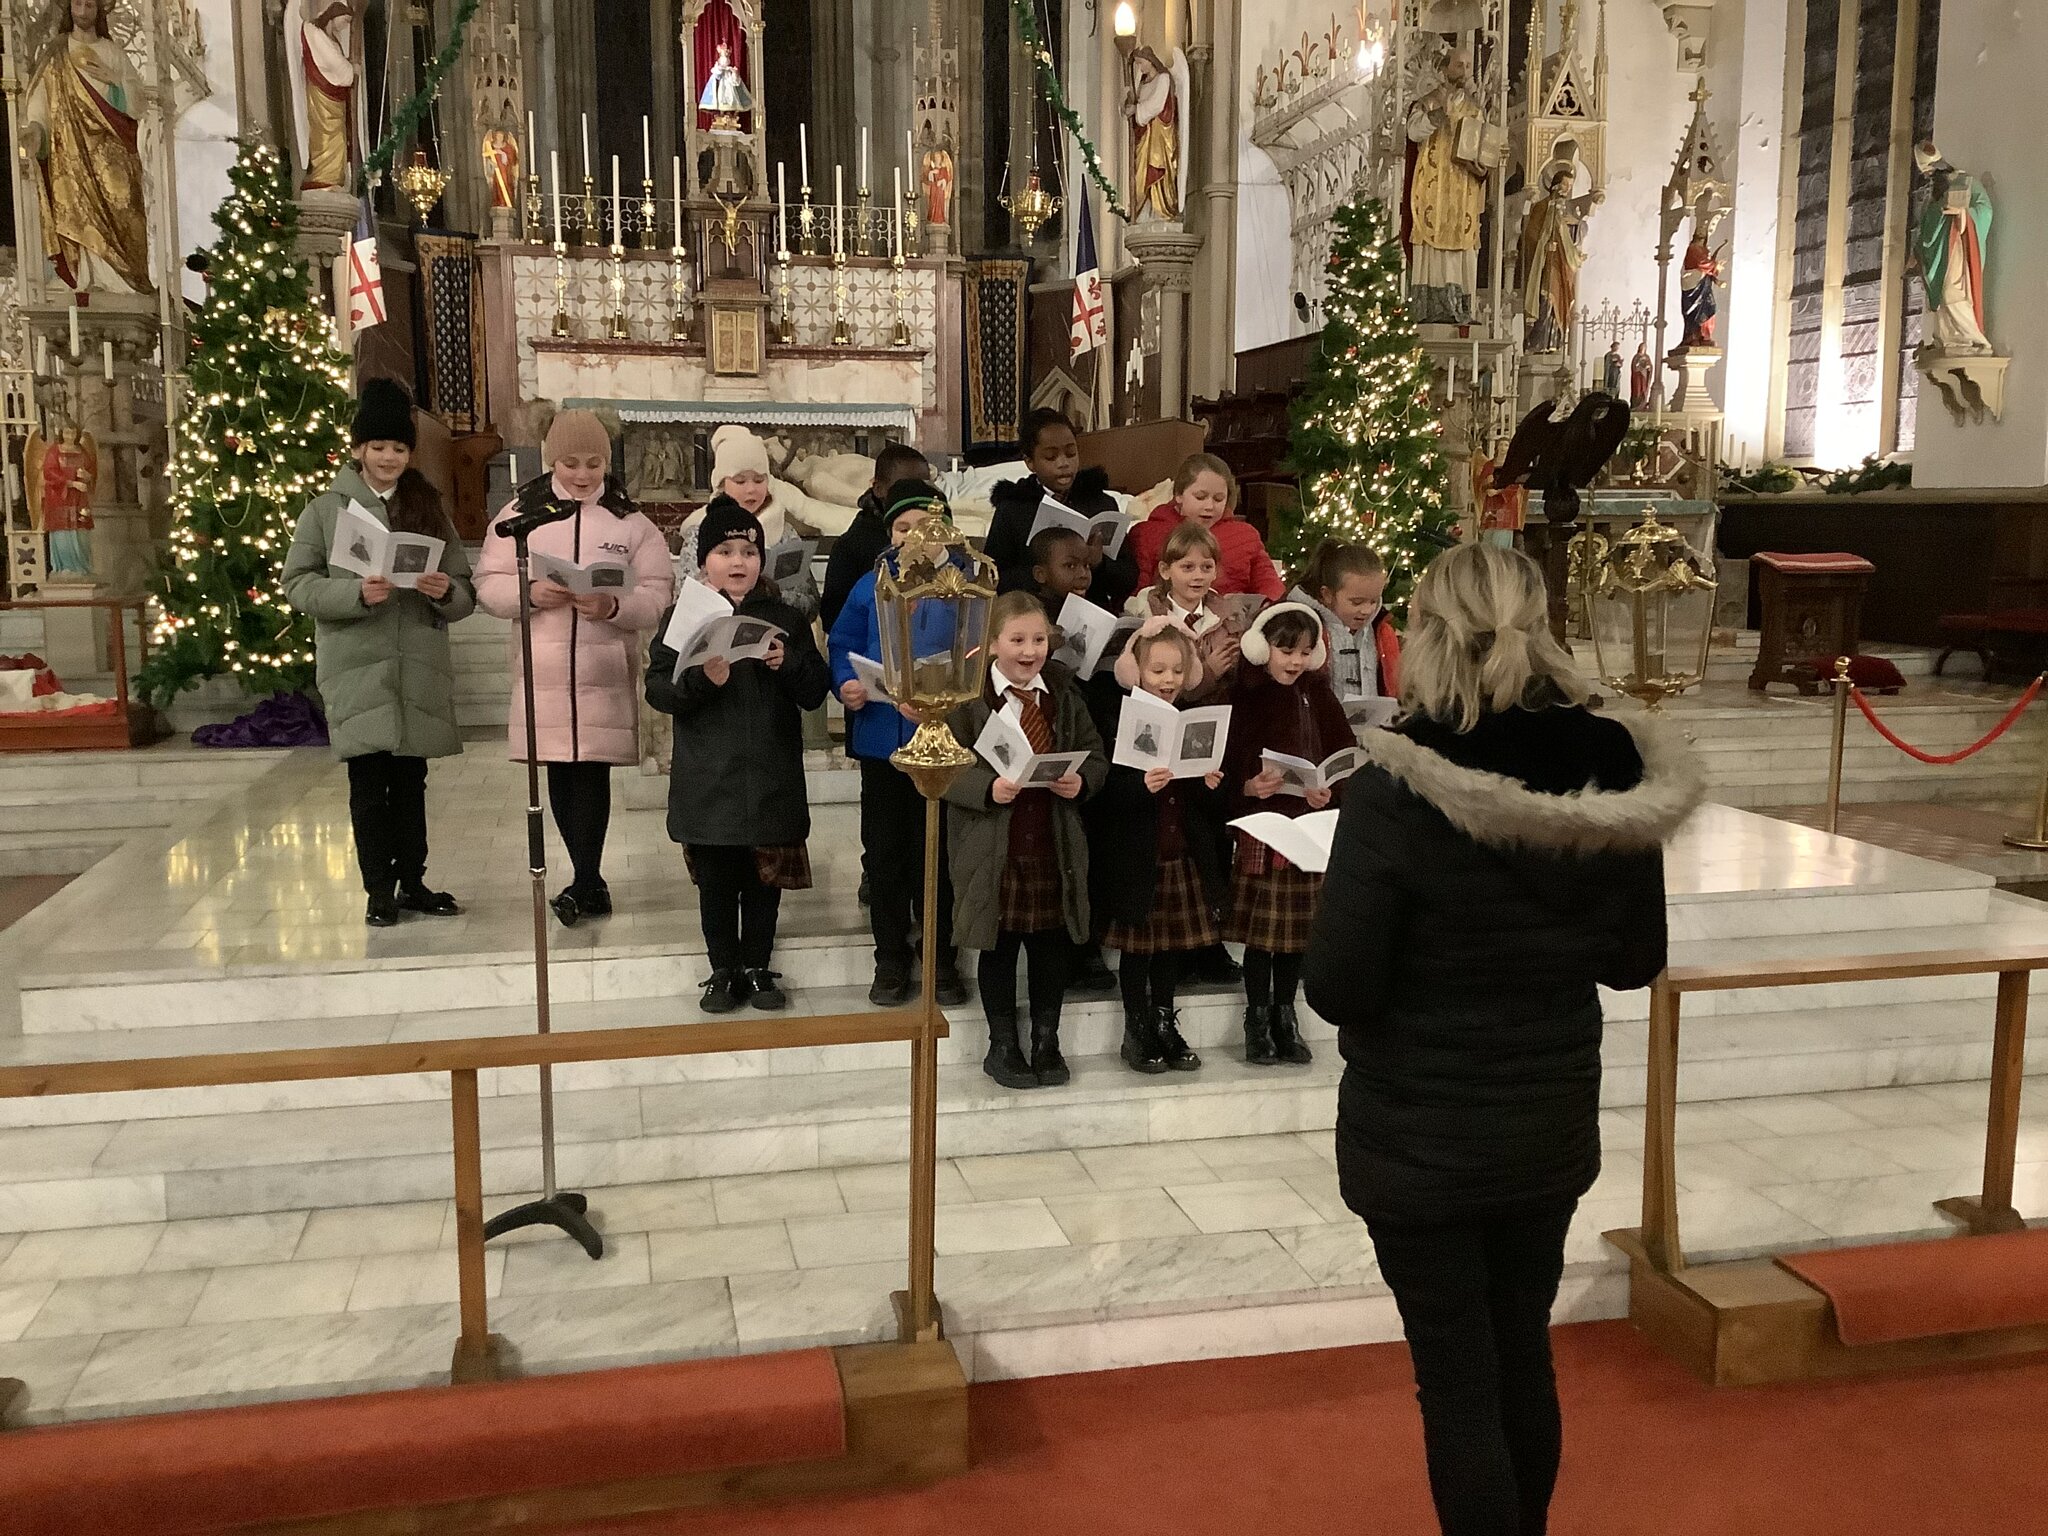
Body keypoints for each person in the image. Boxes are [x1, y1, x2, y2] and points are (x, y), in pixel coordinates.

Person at [1303, 542, 1699, 1536]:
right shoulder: (1610, 772)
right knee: (1519, 1347)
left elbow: (1340, 988)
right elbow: (1630, 958)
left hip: (1420, 1132)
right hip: (1543, 1118)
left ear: (1426, 636)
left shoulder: (1395, 786)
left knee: (1456, 1378)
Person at [284, 378, 476, 927]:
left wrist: (447, 594)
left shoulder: (426, 504)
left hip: (416, 661)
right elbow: (297, 583)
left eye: (398, 447)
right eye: (378, 447)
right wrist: (353, 593)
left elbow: (464, 588)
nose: (389, 457)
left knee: (411, 783)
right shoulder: (326, 510)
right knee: (368, 783)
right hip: (356, 665)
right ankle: (377, 891)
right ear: (357, 450)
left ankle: (413, 881)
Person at [474, 409, 674, 925]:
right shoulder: (522, 515)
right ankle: (588, 881)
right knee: (561, 771)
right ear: (551, 460)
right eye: (569, 463)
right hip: (543, 666)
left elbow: (657, 592)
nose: (582, 475)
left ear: (607, 462)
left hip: (604, 665)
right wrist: (531, 593)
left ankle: (588, 878)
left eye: (592, 463)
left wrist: (614, 607)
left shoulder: (630, 521)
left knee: (593, 772)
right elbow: (489, 583)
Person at [647, 496, 831, 1013]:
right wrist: (702, 682)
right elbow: (658, 688)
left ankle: (757, 964)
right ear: (705, 560)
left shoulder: (785, 618)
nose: (737, 562)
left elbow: (816, 690)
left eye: (747, 552)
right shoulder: (681, 618)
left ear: (761, 559)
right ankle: (722, 969)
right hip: (709, 773)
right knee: (718, 877)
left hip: (769, 770)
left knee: (763, 876)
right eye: (724, 551)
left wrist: (787, 662)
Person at [943, 592, 1107, 1089]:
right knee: (999, 946)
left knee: (1049, 948)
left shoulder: (1062, 695)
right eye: (1017, 639)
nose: (1030, 650)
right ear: (992, 644)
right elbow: (942, 766)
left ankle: (1046, 1040)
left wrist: (1083, 782)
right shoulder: (969, 702)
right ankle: (1003, 1043)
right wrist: (986, 788)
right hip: (995, 846)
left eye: (1039, 639)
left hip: (1052, 844)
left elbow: (1095, 755)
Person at [827, 483, 970, 1007]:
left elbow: (972, 651)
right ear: (889, 536)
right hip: (883, 744)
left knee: (936, 856)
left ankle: (939, 957)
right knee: (885, 855)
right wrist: (847, 682)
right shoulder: (871, 585)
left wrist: (939, 698)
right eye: (902, 529)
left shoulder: (962, 588)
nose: (914, 539)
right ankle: (889, 957)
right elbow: (843, 642)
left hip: (944, 742)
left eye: (926, 531)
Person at [1087, 618, 1226, 1074]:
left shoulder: (1191, 719)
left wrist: (1207, 782)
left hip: (1180, 851)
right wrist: (1139, 785)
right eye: (1158, 670)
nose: (1168, 680)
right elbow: (1105, 795)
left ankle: (1164, 1020)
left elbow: (1205, 805)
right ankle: (1137, 1027)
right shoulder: (1118, 719)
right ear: (1137, 671)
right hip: (1138, 855)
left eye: (1176, 671)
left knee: (1173, 947)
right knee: (1139, 948)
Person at [1222, 602, 1352, 1064]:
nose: (1295, 661)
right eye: (1285, 650)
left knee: (1295, 936)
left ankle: (1284, 1014)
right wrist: (1248, 786)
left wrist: (1328, 792)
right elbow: (1229, 760)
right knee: (1263, 936)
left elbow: (1342, 755)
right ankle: (1257, 1019)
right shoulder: (1245, 698)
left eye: (1304, 652)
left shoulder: (1320, 697)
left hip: (1309, 829)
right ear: (1263, 649)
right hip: (1265, 828)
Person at [986, 408, 1137, 613]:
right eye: (1050, 457)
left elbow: (1128, 578)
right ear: (1030, 462)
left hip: (1093, 615)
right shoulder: (1013, 507)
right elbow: (994, 577)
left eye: (1071, 453)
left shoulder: (1101, 503)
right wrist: (1048, 573)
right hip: (1033, 615)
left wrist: (1099, 563)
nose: (1064, 463)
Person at [675, 425, 817, 616]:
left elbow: (810, 604)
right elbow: (683, 600)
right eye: (740, 481)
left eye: (759, 480)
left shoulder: (785, 532)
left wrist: (771, 594)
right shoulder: (701, 532)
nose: (751, 489)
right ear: (721, 483)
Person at [1128, 453, 1283, 604]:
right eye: (1200, 497)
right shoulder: (1147, 534)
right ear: (1179, 495)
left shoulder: (1246, 535)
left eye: (1218, 499)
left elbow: (1269, 585)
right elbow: (1137, 594)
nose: (1209, 506)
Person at [1126, 521, 1242, 704]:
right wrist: (1208, 673)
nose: (1198, 576)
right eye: (1188, 567)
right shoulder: (1147, 620)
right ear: (1165, 571)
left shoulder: (1227, 618)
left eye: (1207, 567)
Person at [820, 443, 933, 631]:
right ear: (878, 488)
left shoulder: (938, 537)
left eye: (924, 486)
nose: (915, 494)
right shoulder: (851, 545)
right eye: (903, 486)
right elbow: (833, 618)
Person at [1288, 540, 1402, 704]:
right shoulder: (1306, 629)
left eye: (1374, 601)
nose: (1367, 610)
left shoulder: (1383, 634)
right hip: (1319, 726)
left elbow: (1394, 687)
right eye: (1357, 602)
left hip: (1372, 727)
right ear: (1327, 595)